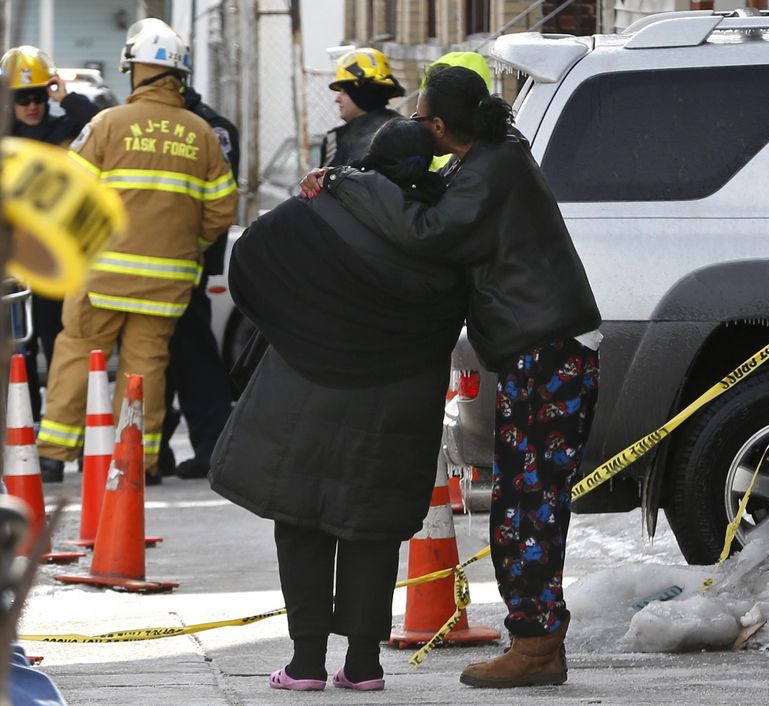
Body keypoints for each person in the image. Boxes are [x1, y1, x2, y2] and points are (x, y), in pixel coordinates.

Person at [310, 63, 602, 689]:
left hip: (546, 353)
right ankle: (539, 641)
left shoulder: (490, 171)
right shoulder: (496, 157)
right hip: (545, 350)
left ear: (440, 126)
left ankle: (534, 645)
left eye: (419, 119)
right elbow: (441, 200)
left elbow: (428, 232)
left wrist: (346, 182)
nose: (417, 128)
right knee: (529, 502)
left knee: (526, 506)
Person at [209, 118, 466, 693]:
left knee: (300, 519)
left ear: (370, 159)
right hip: (397, 400)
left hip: (309, 386)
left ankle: (304, 665)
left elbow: (248, 262)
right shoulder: (445, 232)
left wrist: (292, 327)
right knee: (371, 527)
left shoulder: (321, 205)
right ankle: (365, 664)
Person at [36, 18, 237, 484]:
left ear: (136, 69)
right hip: (166, 282)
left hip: (100, 275)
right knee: (145, 370)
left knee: (76, 355)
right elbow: (221, 210)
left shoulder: (107, 124)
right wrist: (188, 248)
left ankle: (50, 455)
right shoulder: (202, 134)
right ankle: (138, 461)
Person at [1, 45, 102, 421]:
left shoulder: (66, 130)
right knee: (14, 354)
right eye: (22, 97)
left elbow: (102, 122)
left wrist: (67, 97)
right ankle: (22, 423)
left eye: (39, 95)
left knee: (57, 345)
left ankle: (58, 432)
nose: (32, 105)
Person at [158, 86, 240, 480]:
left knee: (193, 358)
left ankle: (211, 448)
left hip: (185, 266)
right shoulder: (172, 125)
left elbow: (216, 205)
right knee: (166, 359)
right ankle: (157, 451)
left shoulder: (209, 129)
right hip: (167, 263)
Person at [319, 48, 404, 168]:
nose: (337, 99)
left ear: (359, 93)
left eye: (344, 91)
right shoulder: (406, 130)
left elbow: (325, 184)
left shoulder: (337, 140)